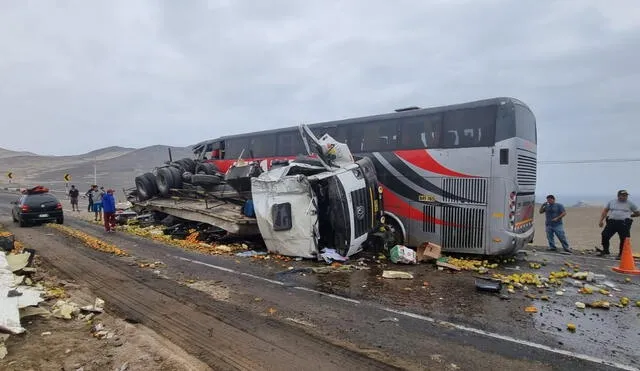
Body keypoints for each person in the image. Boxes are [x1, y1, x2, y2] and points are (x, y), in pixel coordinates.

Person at [597, 190, 640, 257]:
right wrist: (601, 221)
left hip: (624, 223)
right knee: (605, 235)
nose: (624, 197)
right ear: (618, 195)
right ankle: (606, 251)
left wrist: (629, 216)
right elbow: (605, 211)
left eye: (626, 195)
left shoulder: (630, 203)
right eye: (623, 195)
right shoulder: (612, 202)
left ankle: (621, 254)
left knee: (624, 239)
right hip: (612, 222)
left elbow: (638, 213)